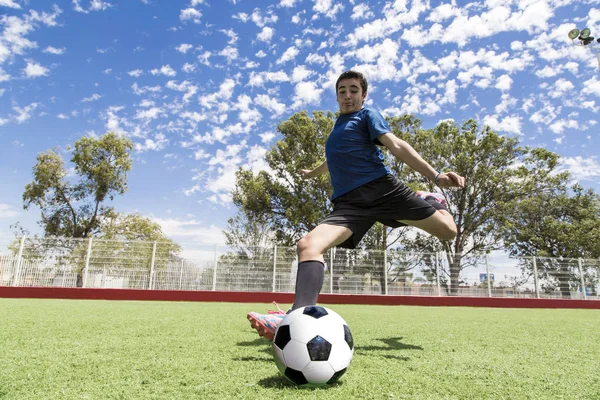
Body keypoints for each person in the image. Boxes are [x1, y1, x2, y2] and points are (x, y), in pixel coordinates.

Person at [247, 70, 465, 340]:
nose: (347, 95)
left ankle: (433, 200)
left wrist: (436, 176)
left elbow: (396, 144)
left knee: (448, 231)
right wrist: (312, 174)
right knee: (307, 245)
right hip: (349, 204)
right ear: (336, 96)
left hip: (384, 192)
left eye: (353, 90)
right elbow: (333, 161)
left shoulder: (367, 116)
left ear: (363, 95)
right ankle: (295, 320)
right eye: (342, 90)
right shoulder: (337, 128)